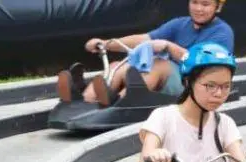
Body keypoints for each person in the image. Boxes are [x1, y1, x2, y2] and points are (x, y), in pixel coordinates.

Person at [56, 0, 234, 107]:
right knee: (118, 66)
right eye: (194, 2)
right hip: (169, 79)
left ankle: (119, 105)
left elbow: (207, 65)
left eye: (205, 4)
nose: (199, 9)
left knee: (158, 65)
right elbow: (144, 38)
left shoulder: (222, 33)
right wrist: (107, 44)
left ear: (217, 7)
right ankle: (84, 102)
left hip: (194, 84)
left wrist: (169, 47)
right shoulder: (180, 24)